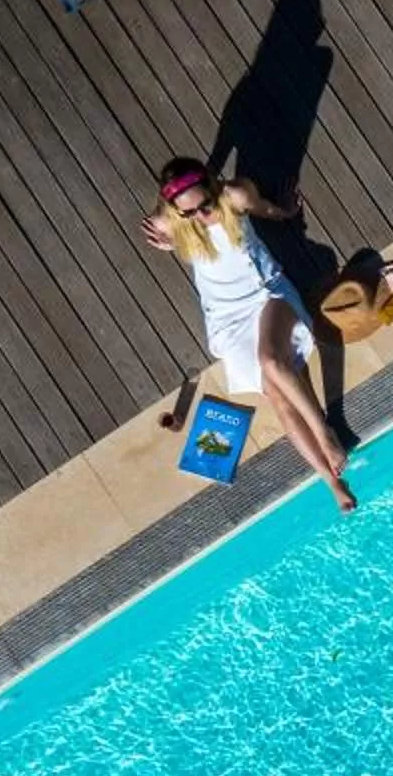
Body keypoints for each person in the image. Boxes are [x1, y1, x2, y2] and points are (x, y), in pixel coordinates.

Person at [140, 158, 357, 513]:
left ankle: (325, 434)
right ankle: (330, 479)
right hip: (227, 316)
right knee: (280, 395)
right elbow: (158, 224)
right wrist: (171, 241)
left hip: (266, 291)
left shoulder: (234, 195)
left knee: (271, 360)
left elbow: (265, 209)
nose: (198, 215)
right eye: (188, 213)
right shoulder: (172, 219)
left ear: (213, 186)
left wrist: (285, 213)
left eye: (204, 205)